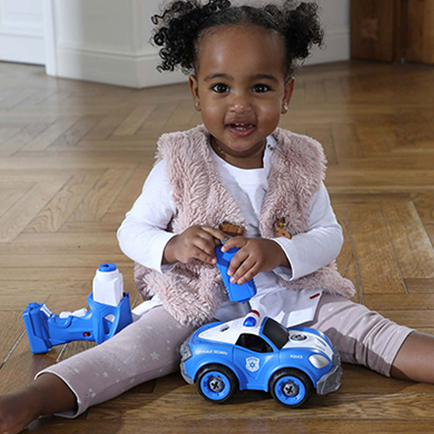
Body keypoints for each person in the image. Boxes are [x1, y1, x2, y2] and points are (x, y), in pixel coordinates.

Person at [2, 0, 434, 432]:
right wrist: (173, 245)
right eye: (221, 88)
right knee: (127, 352)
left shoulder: (300, 162)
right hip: (195, 302)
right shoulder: (177, 164)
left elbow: (329, 234)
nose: (240, 105)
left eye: (260, 88)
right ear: (196, 92)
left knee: (368, 330)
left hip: (291, 299)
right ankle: (34, 399)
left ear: (286, 94)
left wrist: (279, 252)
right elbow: (132, 230)